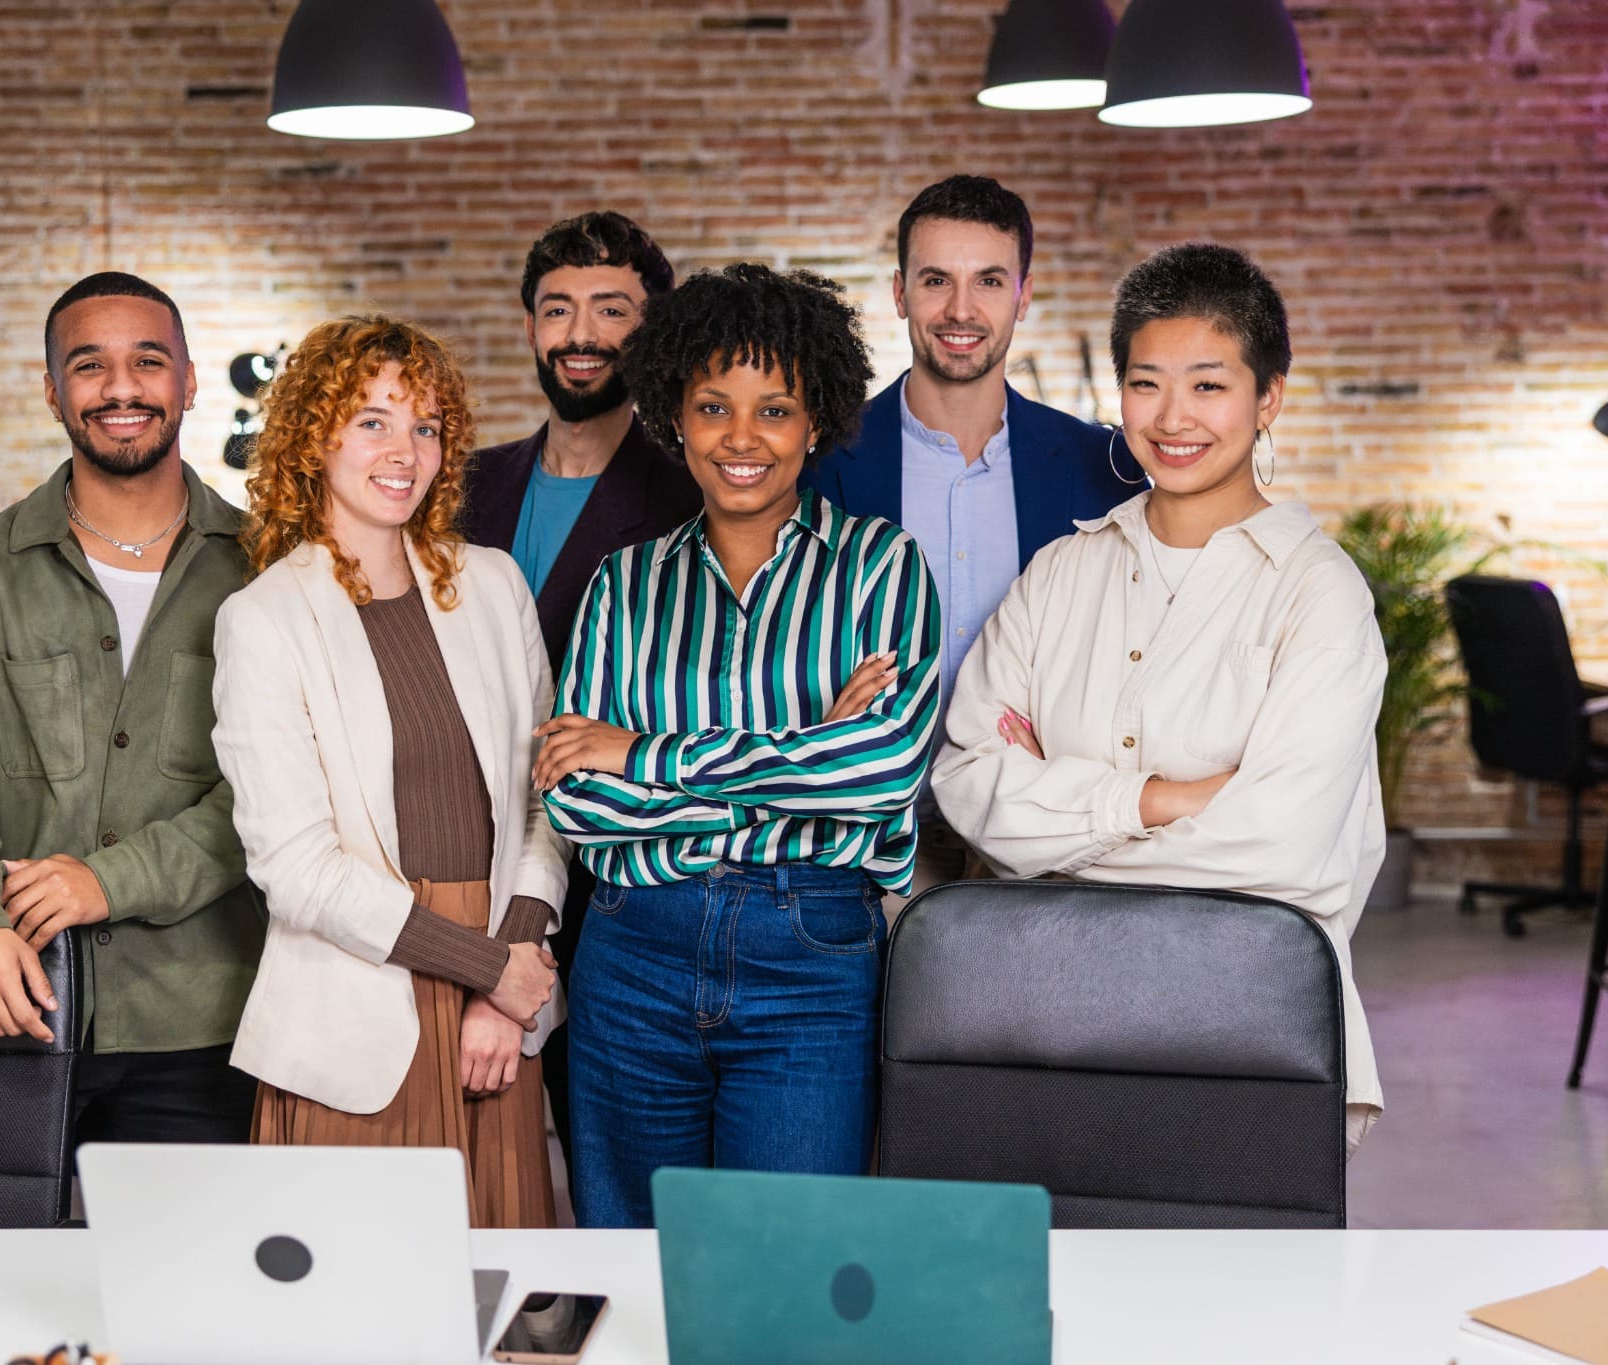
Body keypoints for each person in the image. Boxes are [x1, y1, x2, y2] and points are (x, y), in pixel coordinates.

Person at [931, 242, 1384, 1153]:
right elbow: (968, 778)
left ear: (1270, 398)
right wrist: (1158, 802)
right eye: (1146, 384)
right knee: (1063, 1284)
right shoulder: (1060, 573)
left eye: (1210, 386)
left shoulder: (1318, 592)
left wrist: (1056, 844)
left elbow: (1281, 845)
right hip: (1048, 1018)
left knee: (1229, 1290)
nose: (1173, 418)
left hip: (1248, 1025)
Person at [537, 264, 943, 1227]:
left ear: (817, 423)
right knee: (632, 1265)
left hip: (811, 952)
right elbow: (573, 801)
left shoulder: (880, 566)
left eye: (776, 409)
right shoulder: (625, 582)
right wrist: (806, 753)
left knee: (785, 1270)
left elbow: (883, 772)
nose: (743, 438)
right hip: (633, 947)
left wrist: (642, 752)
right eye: (714, 406)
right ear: (676, 417)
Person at [210, 315, 568, 1228]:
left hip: (496, 1014)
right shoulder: (264, 619)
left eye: (427, 426)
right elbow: (295, 868)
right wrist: (492, 966)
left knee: (506, 1307)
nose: (404, 450)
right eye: (372, 420)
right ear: (314, 437)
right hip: (356, 1016)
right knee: (361, 1315)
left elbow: (548, 798)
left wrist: (509, 978)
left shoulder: (492, 584)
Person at [0, 270, 263, 1144]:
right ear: (52, 387)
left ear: (189, 379)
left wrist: (110, 880)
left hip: (205, 1016)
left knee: (187, 1275)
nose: (123, 388)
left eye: (148, 361)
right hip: (12, 1002)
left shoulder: (265, 571)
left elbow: (273, 791)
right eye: (90, 365)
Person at [809, 175, 1141, 896]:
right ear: (899, 293)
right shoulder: (820, 465)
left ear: (1023, 295)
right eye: (936, 280)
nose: (961, 309)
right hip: (872, 845)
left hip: (1044, 837)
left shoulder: (1105, 470)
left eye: (988, 280)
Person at [459, 210, 703, 1176]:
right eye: (556, 308)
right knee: (480, 1154)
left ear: (654, 327)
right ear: (528, 327)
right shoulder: (467, 487)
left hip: (616, 889)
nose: (581, 333)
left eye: (611, 308)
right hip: (464, 873)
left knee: (601, 1155)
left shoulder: (691, 495)